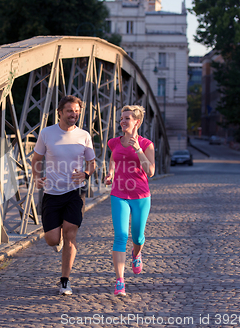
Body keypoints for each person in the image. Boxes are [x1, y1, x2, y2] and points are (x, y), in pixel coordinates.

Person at [31, 95, 96, 295]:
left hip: (74, 192)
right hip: (51, 192)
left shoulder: (84, 135)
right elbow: (37, 158)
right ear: (60, 112)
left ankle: (65, 281)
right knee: (52, 239)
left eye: (76, 111)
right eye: (70, 111)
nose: (73, 115)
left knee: (70, 233)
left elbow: (91, 163)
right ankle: (56, 241)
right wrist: (36, 177)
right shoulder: (47, 133)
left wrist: (85, 174)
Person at [105, 105, 155, 296]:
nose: (123, 121)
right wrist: (110, 173)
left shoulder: (147, 144)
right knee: (120, 236)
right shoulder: (113, 142)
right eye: (121, 118)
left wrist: (138, 149)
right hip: (119, 195)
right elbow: (113, 158)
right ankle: (120, 281)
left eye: (127, 118)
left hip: (141, 196)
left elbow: (150, 171)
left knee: (138, 237)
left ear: (137, 122)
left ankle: (136, 253)